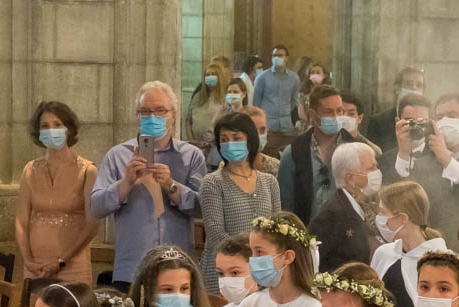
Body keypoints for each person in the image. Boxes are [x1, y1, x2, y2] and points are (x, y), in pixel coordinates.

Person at [92, 81, 206, 292]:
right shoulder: (118, 155)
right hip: (132, 268)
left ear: (173, 115)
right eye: (145, 112)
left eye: (160, 111)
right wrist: (125, 182)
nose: (153, 117)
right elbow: (96, 207)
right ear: (138, 116)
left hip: (177, 268)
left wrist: (171, 186)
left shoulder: (191, 156)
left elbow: (202, 208)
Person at [382, 93, 459, 239]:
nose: (445, 122)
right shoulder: (423, 162)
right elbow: (402, 203)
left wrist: (447, 160)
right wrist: (404, 153)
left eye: (452, 116)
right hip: (432, 248)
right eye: (440, 118)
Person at [16, 101, 99, 287]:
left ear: (68, 129)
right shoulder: (30, 169)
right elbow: (21, 221)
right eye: (45, 126)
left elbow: (93, 224)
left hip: (72, 265)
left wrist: (62, 260)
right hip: (36, 266)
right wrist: (27, 259)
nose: (51, 130)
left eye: (57, 124)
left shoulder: (87, 171)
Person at [199, 111, 281, 290]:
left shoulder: (269, 182)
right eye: (224, 140)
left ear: (250, 141)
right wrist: (250, 255)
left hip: (261, 272)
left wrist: (263, 258)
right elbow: (215, 235)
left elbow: (276, 230)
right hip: (224, 274)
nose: (230, 144)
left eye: (236, 138)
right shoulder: (213, 182)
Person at [280, 84, 365, 225]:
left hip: (348, 234)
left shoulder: (356, 149)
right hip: (307, 233)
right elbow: (286, 206)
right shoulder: (293, 153)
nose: (336, 117)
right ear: (313, 115)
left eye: (339, 111)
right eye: (329, 112)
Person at [370, 181, 447, 307]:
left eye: (382, 212)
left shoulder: (441, 261)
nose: (378, 218)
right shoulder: (385, 253)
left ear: (402, 218)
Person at [310, 142, 379, 273]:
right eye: (371, 168)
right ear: (351, 178)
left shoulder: (369, 204)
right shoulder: (331, 216)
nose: (377, 172)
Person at [363, 66, 425, 155]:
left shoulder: (430, 119)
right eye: (409, 84)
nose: (414, 88)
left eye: (419, 85)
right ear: (397, 88)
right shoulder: (378, 122)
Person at [254, 45, 301, 157]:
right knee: (268, 156)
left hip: (286, 126)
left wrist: (284, 111)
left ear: (286, 58)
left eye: (280, 55)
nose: (277, 58)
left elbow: (294, 100)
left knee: (286, 156)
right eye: (274, 55)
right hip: (269, 125)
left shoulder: (294, 78)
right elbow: (256, 101)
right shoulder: (262, 77)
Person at [186, 58, 230, 154]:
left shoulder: (226, 98)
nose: (210, 77)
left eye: (213, 74)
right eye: (207, 75)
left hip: (214, 147)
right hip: (195, 145)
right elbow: (188, 120)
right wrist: (191, 139)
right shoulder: (198, 96)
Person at [245, 105, 281, 177]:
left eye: (262, 129)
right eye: (253, 130)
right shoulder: (228, 168)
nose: (258, 135)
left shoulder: (276, 167)